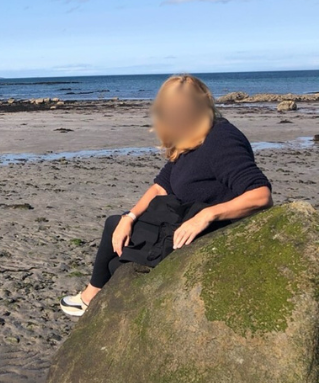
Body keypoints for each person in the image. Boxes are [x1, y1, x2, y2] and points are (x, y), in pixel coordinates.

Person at [61, 74, 273, 317]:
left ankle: (90, 297)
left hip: (209, 231)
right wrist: (129, 217)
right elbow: (161, 186)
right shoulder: (191, 136)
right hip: (183, 218)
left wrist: (207, 215)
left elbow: (261, 195)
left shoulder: (221, 139)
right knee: (116, 227)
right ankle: (92, 297)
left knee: (115, 258)